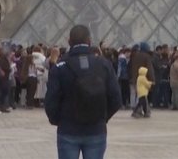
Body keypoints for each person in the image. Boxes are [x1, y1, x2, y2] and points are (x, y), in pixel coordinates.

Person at [44, 25, 122, 159]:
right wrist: (102, 117)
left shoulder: (60, 67)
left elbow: (51, 101)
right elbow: (116, 99)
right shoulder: (104, 65)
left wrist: (58, 120)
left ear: (69, 41)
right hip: (96, 129)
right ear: (89, 41)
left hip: (68, 129)